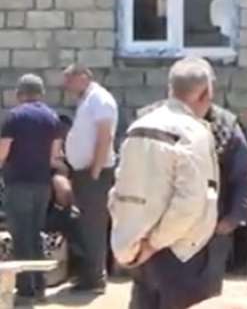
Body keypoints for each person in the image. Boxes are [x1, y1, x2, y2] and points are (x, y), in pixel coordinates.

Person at [109, 57, 220, 309]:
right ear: (206, 93)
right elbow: (192, 202)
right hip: (181, 252)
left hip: (139, 247)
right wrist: (155, 243)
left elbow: (118, 191)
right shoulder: (193, 133)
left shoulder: (138, 126)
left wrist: (131, 242)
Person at [0, 74, 62, 303]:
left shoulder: (14, 117)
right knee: (36, 234)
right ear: (41, 93)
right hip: (42, 184)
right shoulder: (53, 118)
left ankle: (25, 290)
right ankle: (40, 286)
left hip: (18, 184)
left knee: (20, 236)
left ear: (19, 94)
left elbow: (3, 151)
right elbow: (54, 155)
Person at [62, 63, 118, 293]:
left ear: (84, 76)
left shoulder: (100, 99)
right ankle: (89, 274)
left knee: (93, 226)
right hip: (85, 172)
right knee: (85, 225)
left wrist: (95, 170)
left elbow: (105, 136)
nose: (66, 86)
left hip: (95, 172)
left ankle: (95, 278)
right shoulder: (87, 100)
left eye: (70, 80)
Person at [204, 72, 247, 293]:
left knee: (206, 294)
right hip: (162, 230)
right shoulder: (154, 123)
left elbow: (244, 173)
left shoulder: (226, 125)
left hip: (213, 228)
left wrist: (234, 217)